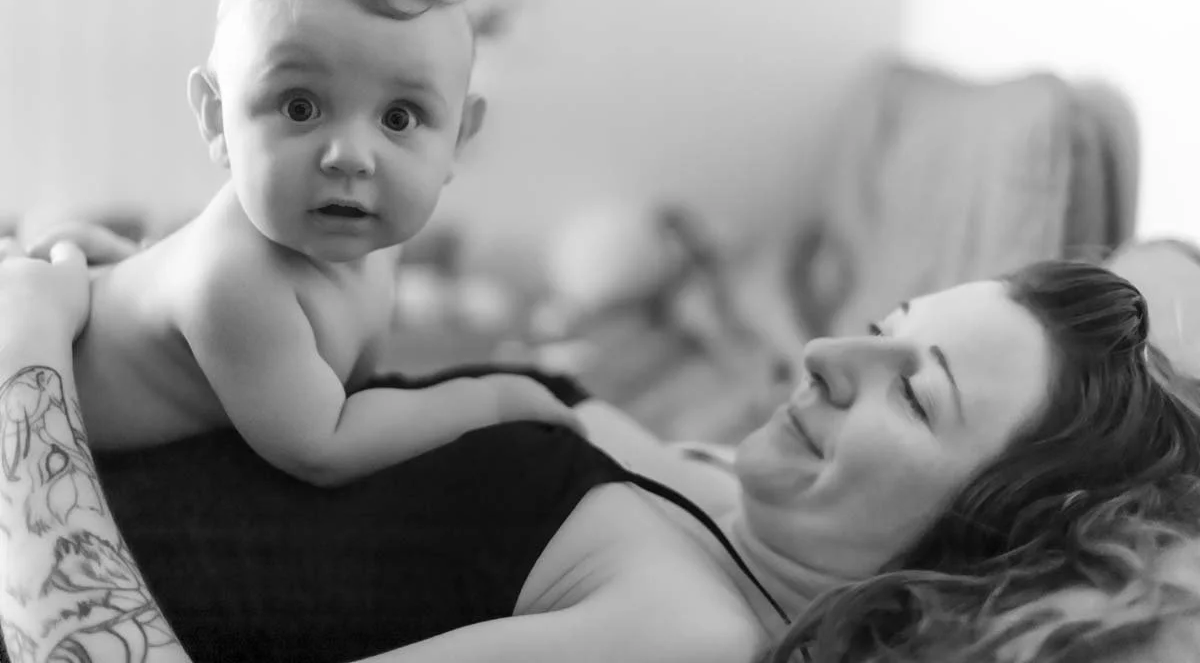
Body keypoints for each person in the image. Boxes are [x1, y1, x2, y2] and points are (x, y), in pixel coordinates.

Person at [3, 232, 1200, 663]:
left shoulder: (690, 628)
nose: (831, 351)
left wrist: (29, 385)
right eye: (888, 324)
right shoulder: (720, 492)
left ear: (976, 545)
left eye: (916, 392)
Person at [64, 0, 579, 487]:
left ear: (458, 137)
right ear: (216, 119)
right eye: (299, 107)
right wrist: (494, 402)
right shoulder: (234, 282)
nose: (350, 156)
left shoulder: (374, 236)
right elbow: (322, 447)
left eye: (399, 117)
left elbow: (350, 387)